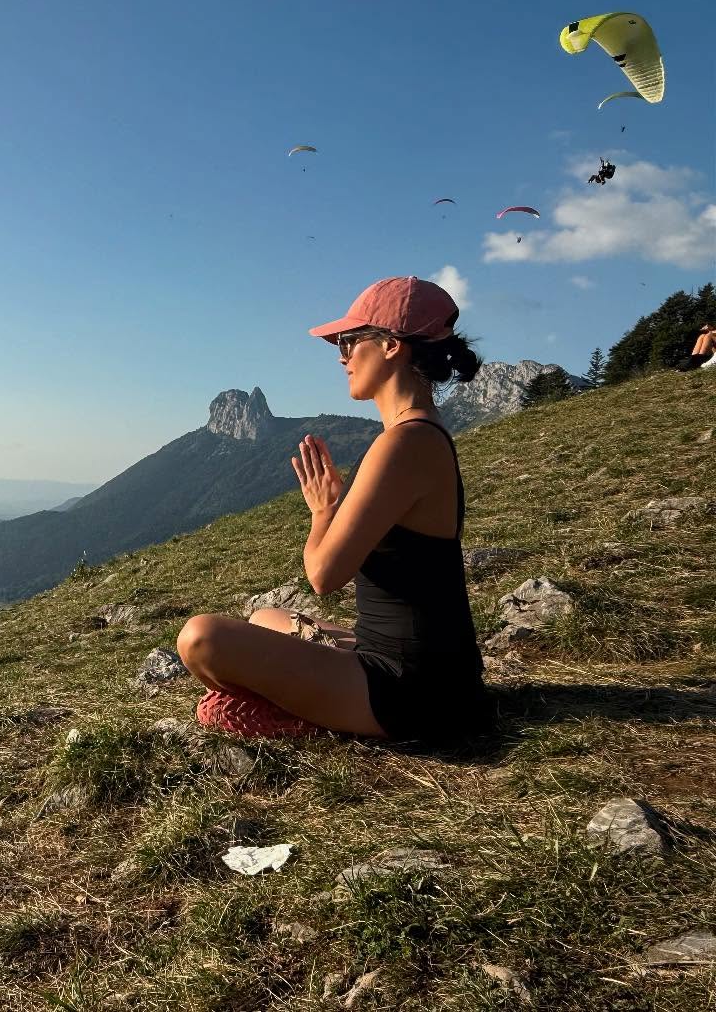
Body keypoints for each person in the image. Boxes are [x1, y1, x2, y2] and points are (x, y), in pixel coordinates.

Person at [176, 276, 493, 744]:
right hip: (428, 669)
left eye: (349, 340)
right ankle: (308, 699)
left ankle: (300, 719)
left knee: (199, 638)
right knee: (265, 617)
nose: (341, 356)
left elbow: (323, 576)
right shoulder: (421, 433)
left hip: (410, 692)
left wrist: (324, 513)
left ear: (390, 345)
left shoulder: (404, 443)